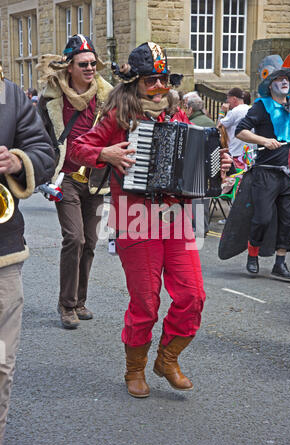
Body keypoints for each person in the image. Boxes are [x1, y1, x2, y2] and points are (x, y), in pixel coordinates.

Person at [71, 42, 233, 398]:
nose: (160, 87)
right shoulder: (117, 116)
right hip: (135, 217)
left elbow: (199, 162)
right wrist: (106, 153)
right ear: (134, 84)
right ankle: (135, 369)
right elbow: (76, 148)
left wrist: (217, 168)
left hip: (176, 216)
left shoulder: (178, 116)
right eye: (151, 81)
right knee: (145, 301)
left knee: (193, 295)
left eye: (164, 79)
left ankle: (168, 358)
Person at [37, 34, 113, 329]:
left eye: (94, 63)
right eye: (84, 63)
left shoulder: (108, 96)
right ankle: (66, 305)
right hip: (66, 178)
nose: (91, 68)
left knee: (91, 242)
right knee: (75, 238)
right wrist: (44, 177)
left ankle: (80, 301)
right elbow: (39, 139)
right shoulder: (50, 98)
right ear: (69, 66)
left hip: (96, 177)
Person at [0, 72, 55, 445]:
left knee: (0, 365)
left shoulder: (10, 96)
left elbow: (44, 152)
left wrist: (17, 161)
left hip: (2, 254)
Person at [235, 54, 290, 280]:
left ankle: (279, 262)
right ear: (270, 83)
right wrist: (263, 141)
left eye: (286, 78)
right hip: (266, 173)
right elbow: (240, 131)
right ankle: (253, 254)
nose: (284, 82)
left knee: (288, 220)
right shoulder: (261, 107)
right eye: (278, 78)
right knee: (262, 218)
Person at [183, 91, 216, 234]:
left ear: (190, 109)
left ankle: (197, 228)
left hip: (194, 165)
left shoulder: (191, 123)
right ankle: (204, 227)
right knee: (204, 198)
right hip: (208, 164)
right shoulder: (210, 122)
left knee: (195, 197)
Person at [217, 87, 252, 169]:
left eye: (228, 99)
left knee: (235, 180)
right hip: (249, 154)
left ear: (234, 99)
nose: (227, 102)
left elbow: (218, 127)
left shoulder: (234, 112)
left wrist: (222, 112)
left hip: (235, 153)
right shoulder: (251, 109)